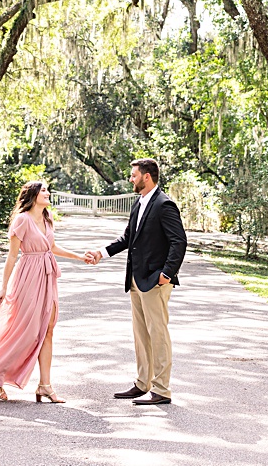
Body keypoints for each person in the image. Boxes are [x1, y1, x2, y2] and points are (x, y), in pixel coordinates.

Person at [0, 180, 90, 403]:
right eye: (43, 190)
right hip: (27, 278)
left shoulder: (48, 217)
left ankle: (45, 385)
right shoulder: (22, 220)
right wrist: (3, 287)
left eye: (47, 190)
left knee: (48, 330)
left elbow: (51, 247)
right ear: (33, 195)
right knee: (26, 331)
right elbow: (12, 256)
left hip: (47, 277)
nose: (48, 193)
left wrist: (80, 257)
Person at [84, 158, 187, 406]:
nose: (131, 179)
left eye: (134, 175)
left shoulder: (164, 205)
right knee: (141, 335)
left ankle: (162, 389)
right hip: (135, 280)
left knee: (158, 334)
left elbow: (179, 241)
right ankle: (143, 383)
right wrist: (102, 252)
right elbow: (128, 238)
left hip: (155, 281)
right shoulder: (138, 203)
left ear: (147, 176)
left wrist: (166, 273)